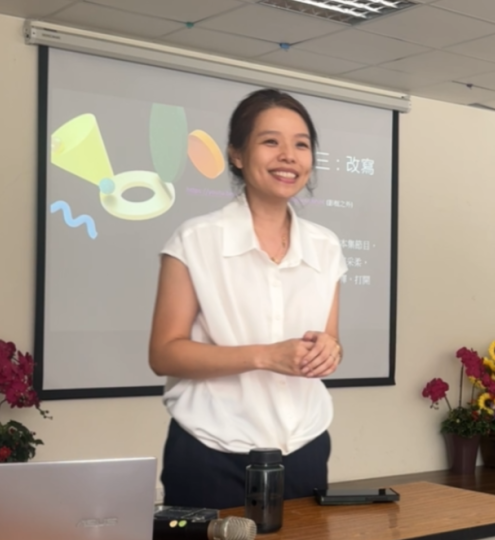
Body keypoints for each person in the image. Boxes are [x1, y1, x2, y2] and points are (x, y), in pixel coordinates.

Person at [148, 88, 347, 510]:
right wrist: (266, 356)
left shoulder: (326, 246)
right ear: (237, 155)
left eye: (301, 144)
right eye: (270, 141)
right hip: (212, 448)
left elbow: (329, 340)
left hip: (305, 445)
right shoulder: (195, 240)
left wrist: (330, 350)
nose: (288, 156)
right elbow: (164, 354)